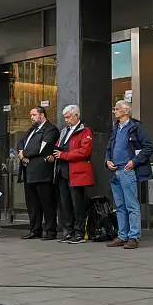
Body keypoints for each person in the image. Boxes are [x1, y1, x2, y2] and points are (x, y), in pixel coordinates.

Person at [105, 100, 153, 249]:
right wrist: (107, 161)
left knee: (131, 204)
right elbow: (108, 149)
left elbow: (148, 147)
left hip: (127, 170)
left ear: (126, 111)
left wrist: (134, 162)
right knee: (119, 205)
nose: (115, 111)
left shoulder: (136, 127)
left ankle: (133, 237)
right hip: (115, 171)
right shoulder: (115, 129)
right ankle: (122, 235)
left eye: (117, 109)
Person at [51, 105, 94, 244]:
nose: (66, 120)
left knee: (77, 203)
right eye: (65, 117)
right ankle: (69, 231)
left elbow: (84, 151)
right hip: (63, 171)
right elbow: (59, 145)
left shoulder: (85, 130)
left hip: (76, 172)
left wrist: (64, 155)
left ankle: (79, 232)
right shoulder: (65, 131)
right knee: (66, 203)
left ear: (77, 116)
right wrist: (53, 154)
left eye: (69, 117)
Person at [19, 106, 60, 241]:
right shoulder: (32, 130)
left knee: (47, 203)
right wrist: (21, 152)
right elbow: (21, 142)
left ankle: (50, 230)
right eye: (31, 115)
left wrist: (25, 153)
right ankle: (35, 229)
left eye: (34, 114)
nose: (31, 117)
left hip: (43, 172)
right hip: (29, 171)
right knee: (33, 204)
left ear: (42, 115)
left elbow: (42, 147)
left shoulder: (50, 129)